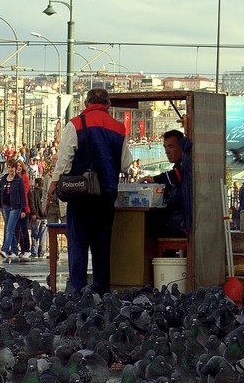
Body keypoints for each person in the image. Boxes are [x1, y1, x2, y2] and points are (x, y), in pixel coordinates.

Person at [48, 88, 132, 294]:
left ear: (86, 103)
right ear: (108, 105)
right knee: (102, 245)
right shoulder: (119, 128)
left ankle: (78, 290)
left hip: (80, 195)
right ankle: (101, 290)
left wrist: (53, 184)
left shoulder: (75, 124)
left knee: (78, 244)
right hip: (106, 195)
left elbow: (65, 160)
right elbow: (125, 164)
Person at [140, 129, 193, 237]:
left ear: (181, 146)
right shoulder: (181, 164)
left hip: (179, 225)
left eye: (171, 147)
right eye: (165, 147)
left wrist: (154, 179)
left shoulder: (185, 164)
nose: (167, 151)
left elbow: (175, 176)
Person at [0, 160, 26, 260]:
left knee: (9, 229)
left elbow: (23, 195)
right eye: (9, 167)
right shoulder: (3, 179)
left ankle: (5, 249)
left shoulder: (19, 180)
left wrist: (23, 209)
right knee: (9, 229)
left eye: (12, 167)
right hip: (5, 206)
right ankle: (15, 251)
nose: (10, 169)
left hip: (15, 207)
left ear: (15, 168)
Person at [28, 175, 48, 258]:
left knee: (34, 235)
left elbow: (32, 203)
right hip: (44, 217)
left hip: (36, 217)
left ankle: (34, 252)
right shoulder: (45, 193)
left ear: (36, 184)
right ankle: (41, 252)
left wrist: (33, 213)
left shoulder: (33, 193)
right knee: (43, 236)